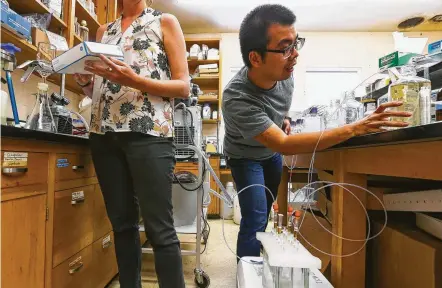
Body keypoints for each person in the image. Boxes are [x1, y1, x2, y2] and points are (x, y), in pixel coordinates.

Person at [221, 4, 411, 260]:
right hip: (245, 157)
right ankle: (247, 273)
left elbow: (277, 110)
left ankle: (258, 261)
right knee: (254, 216)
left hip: (270, 154)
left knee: (265, 212)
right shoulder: (236, 97)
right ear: (255, 58)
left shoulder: (285, 74)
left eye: (296, 42)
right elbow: (284, 145)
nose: (295, 54)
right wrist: (355, 128)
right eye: (286, 47)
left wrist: (282, 119)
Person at [74, 0, 190, 287]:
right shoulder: (104, 31)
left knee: (159, 229)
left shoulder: (164, 22)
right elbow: (104, 86)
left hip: (148, 133)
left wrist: (135, 80)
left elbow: (183, 86)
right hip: (103, 134)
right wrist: (85, 83)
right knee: (123, 226)